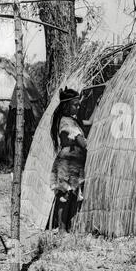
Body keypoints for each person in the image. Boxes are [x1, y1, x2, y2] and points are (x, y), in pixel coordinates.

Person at [48, 87, 87, 232]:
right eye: (74, 105)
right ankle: (62, 230)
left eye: (78, 105)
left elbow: (87, 122)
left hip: (74, 162)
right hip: (67, 162)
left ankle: (65, 227)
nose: (78, 107)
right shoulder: (67, 123)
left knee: (70, 194)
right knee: (64, 194)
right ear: (66, 105)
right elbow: (81, 142)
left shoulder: (71, 120)